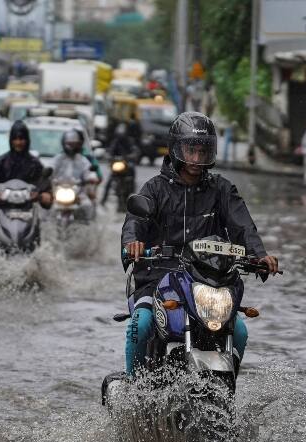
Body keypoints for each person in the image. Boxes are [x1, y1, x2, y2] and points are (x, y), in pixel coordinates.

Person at [122, 112, 279, 377]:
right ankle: (131, 386)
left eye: (203, 151)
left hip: (208, 281)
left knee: (238, 331)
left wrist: (259, 255)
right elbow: (134, 222)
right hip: (159, 276)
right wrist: (132, 243)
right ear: (175, 149)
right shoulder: (155, 189)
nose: (196, 159)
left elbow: (242, 226)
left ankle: (225, 391)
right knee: (142, 322)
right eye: (190, 150)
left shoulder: (222, 189)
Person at [0, 120, 53, 208]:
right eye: (15, 139)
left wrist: (44, 195)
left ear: (27, 140)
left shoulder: (34, 163)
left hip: (28, 210)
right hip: (3, 209)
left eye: (21, 139)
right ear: (11, 140)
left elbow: (43, 184)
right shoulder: (1, 161)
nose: (18, 143)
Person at [52, 130, 99, 220]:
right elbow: (51, 168)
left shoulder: (82, 160)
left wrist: (92, 178)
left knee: (87, 205)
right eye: (70, 144)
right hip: (58, 192)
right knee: (46, 208)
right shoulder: (58, 159)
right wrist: (47, 173)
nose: (72, 147)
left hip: (78, 193)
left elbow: (88, 172)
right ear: (64, 144)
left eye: (75, 144)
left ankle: (87, 228)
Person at [102, 123, 139, 206]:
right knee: (110, 179)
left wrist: (131, 156)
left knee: (132, 170)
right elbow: (110, 151)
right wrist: (109, 156)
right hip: (117, 163)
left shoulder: (129, 141)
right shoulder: (115, 142)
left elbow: (135, 151)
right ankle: (103, 199)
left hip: (126, 163)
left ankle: (132, 190)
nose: (121, 135)